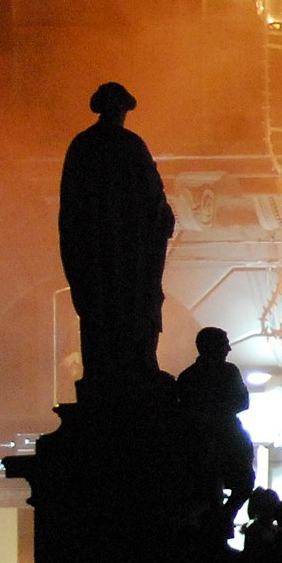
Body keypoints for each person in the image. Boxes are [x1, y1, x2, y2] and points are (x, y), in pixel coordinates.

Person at [58, 81, 176, 397]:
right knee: (133, 309)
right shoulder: (130, 145)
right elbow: (153, 194)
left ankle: (103, 372)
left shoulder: (82, 145)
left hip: (94, 251)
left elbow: (70, 206)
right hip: (128, 252)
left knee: (100, 314)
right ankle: (135, 367)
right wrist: (161, 219)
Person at [177, 326, 255, 535]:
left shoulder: (188, 377)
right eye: (225, 344)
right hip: (222, 440)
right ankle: (222, 519)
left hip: (202, 442)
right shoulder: (228, 372)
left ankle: (219, 519)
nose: (229, 349)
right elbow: (242, 402)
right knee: (242, 483)